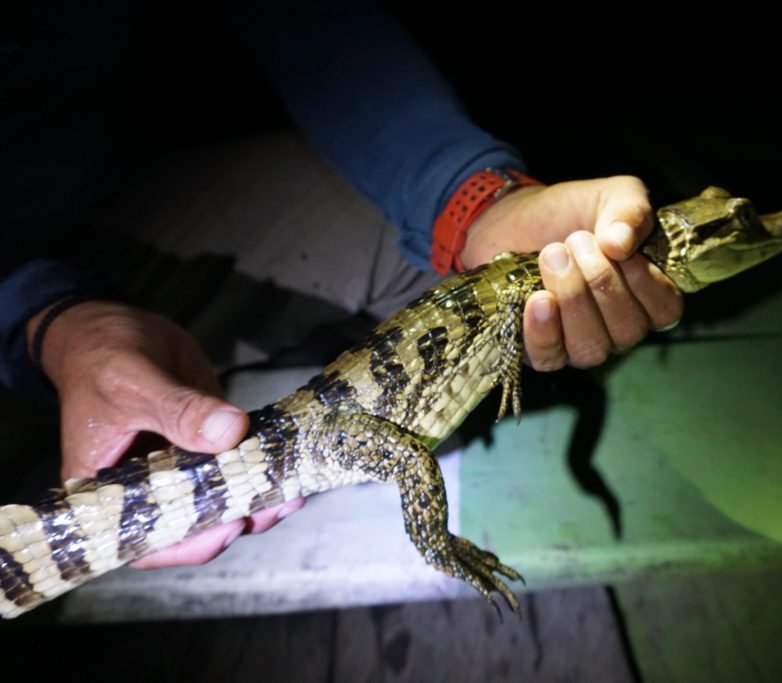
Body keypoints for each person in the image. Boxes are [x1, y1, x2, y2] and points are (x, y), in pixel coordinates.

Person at [1, 0, 682, 570]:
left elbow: (304, 14)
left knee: (475, 281)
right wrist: (39, 318)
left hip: (97, 200)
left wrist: (475, 206)